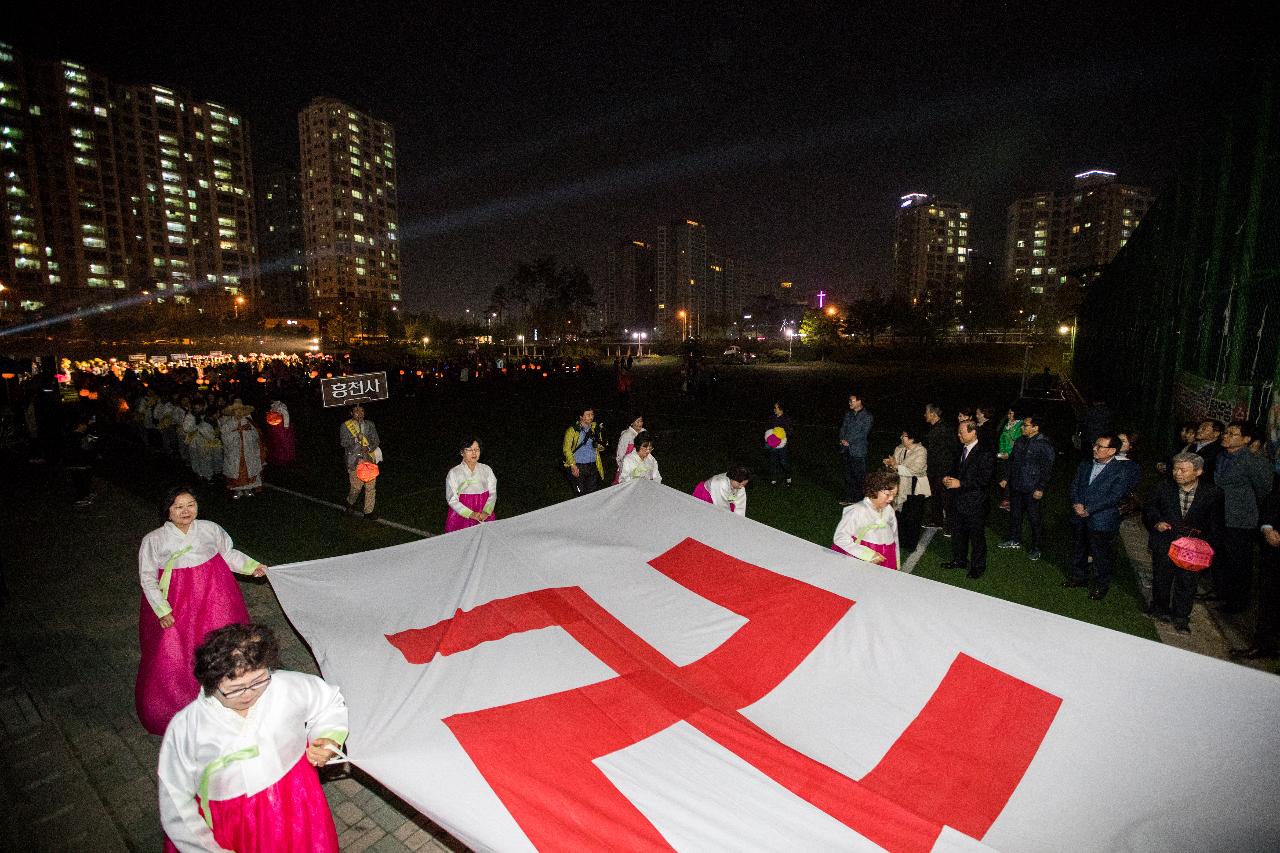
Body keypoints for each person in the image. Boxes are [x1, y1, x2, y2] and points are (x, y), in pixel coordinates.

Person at [158, 624, 348, 852]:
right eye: (236, 688)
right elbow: (175, 799)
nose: (249, 693)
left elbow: (328, 702)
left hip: (296, 803)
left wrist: (327, 737)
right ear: (210, 684)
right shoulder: (186, 728)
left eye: (258, 681)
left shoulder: (285, 687)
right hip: (234, 823)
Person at [136, 487, 266, 736]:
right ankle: (177, 704)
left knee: (225, 642)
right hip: (178, 600)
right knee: (175, 649)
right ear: (168, 512)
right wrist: (162, 610)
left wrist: (252, 566)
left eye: (190, 504)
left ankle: (233, 695)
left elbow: (227, 554)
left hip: (215, 595)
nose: (186, 511)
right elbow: (148, 577)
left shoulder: (209, 529)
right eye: (178, 507)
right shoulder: (154, 540)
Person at [1143, 452, 1223, 634]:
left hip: (1194, 546)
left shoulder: (1213, 493)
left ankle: (1181, 617)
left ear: (1198, 471)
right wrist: (1157, 522)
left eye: (1183, 470)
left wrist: (1207, 545)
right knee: (1161, 577)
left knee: (1187, 582)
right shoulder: (1162, 487)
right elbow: (1150, 508)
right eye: (1175, 469)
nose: (1177, 473)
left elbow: (1216, 523)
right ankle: (1159, 608)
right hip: (1166, 541)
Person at [1064, 433, 1139, 600]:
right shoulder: (1085, 464)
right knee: (1079, 549)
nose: (1094, 449)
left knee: (1100, 555)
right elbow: (1075, 485)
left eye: (1099, 446)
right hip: (1080, 515)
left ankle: (1100, 586)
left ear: (1112, 450)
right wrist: (1076, 503)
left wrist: (1089, 509)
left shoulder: (1121, 471)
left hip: (1101, 520)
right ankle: (1078, 578)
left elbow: (1114, 496)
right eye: (1095, 445)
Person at [1210, 421, 1274, 614]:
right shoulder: (1221, 456)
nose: (1226, 436)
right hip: (1219, 513)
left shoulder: (1254, 461)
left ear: (1246, 440)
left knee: (1238, 561)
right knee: (1220, 555)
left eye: (1232, 433)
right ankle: (1220, 591)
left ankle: (1237, 601)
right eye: (1226, 432)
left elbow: (1263, 490)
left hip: (1240, 518)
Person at [941, 419, 995, 579]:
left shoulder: (985, 453)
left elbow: (984, 480)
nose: (959, 435)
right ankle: (959, 560)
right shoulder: (960, 449)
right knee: (958, 533)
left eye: (961, 432)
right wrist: (947, 478)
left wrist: (960, 483)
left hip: (975, 503)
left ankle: (978, 566)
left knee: (976, 537)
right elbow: (954, 468)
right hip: (958, 501)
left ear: (973, 432)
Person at [1230, 490, 1280, 660]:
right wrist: (1267, 529)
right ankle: (1264, 646)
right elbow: (1270, 505)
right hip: (1275, 557)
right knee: (1269, 600)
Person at [998, 415, 1055, 561]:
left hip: (1032, 488)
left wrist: (1040, 487)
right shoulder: (1020, 441)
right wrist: (1006, 478)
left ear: (1035, 427)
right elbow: (1012, 462)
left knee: (1034, 519)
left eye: (1026, 425)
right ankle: (1014, 539)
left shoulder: (1044, 445)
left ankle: (1036, 547)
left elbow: (1047, 469)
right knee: (1015, 515)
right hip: (1017, 485)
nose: (1023, 427)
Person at [833, 469, 901, 568]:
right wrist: (867, 555)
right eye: (887, 494)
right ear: (875, 489)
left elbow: (894, 535)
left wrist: (896, 560)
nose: (891, 499)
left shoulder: (889, 510)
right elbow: (840, 537)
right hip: (862, 555)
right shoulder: (857, 511)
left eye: (894, 495)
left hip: (886, 555)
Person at [883, 427, 929, 553]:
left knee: (913, 517)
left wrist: (895, 466)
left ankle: (911, 544)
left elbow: (915, 470)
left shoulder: (921, 451)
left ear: (912, 438)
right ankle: (900, 540)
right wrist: (889, 464)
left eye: (904, 436)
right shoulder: (899, 449)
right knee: (900, 515)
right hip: (900, 487)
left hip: (915, 489)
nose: (901, 438)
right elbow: (894, 468)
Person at [445, 437, 497, 532]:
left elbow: (492, 492)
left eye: (477, 449)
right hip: (462, 514)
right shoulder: (454, 473)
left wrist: (486, 511)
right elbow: (452, 498)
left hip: (484, 512)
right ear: (462, 452)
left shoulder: (486, 469)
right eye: (469, 450)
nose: (474, 453)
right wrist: (470, 514)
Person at [341, 404, 381, 518]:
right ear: (351, 413)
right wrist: (355, 439)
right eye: (356, 411)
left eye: (362, 411)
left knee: (370, 487)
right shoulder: (345, 425)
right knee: (356, 488)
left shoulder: (370, 424)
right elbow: (343, 443)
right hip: (354, 461)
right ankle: (350, 502)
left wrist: (368, 448)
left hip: (369, 460)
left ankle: (369, 511)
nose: (360, 413)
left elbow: (376, 440)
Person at [219, 400, 264, 499]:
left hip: (248, 451)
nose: (238, 413)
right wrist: (237, 432)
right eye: (236, 410)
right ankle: (237, 489)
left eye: (240, 410)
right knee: (236, 470)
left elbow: (256, 435)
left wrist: (248, 432)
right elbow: (224, 437)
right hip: (234, 452)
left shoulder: (248, 422)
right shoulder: (227, 424)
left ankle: (248, 488)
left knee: (248, 469)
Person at [923, 404, 955, 530]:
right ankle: (938, 520)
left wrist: (943, 470)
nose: (925, 415)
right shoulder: (938, 428)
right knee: (937, 495)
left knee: (944, 497)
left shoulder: (941, 429)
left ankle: (948, 524)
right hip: (937, 469)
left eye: (927, 412)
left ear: (933, 414)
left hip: (941, 469)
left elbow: (944, 452)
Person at [838, 393, 873, 505]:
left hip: (858, 451)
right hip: (846, 449)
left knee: (859, 477)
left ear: (859, 401)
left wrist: (849, 441)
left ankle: (860, 500)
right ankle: (850, 498)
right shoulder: (848, 414)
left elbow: (863, 433)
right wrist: (842, 439)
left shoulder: (867, 416)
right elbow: (843, 428)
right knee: (848, 475)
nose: (849, 402)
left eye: (851, 400)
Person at [562, 406, 605, 495]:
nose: (591, 417)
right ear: (581, 416)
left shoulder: (595, 428)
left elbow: (600, 445)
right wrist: (573, 465)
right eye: (588, 414)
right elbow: (566, 449)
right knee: (580, 493)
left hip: (593, 465)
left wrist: (600, 446)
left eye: (592, 414)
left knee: (593, 493)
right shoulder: (572, 430)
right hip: (578, 466)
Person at [996, 407, 1023, 510]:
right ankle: (1006, 500)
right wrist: (1003, 452)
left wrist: (1010, 454)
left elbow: (1018, 442)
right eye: (1008, 413)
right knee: (1005, 476)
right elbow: (1002, 438)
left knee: (1011, 477)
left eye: (1011, 413)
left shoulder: (1020, 425)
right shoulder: (1007, 425)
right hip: (1005, 456)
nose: (1009, 415)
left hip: (1015, 456)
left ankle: (1013, 500)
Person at [766, 401, 793, 486]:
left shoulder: (786, 419)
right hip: (773, 444)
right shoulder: (772, 418)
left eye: (776, 408)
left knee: (783, 462)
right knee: (773, 461)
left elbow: (790, 432)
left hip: (782, 445)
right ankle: (774, 479)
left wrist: (781, 434)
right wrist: (769, 436)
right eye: (774, 408)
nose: (774, 409)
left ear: (781, 409)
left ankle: (788, 477)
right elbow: (768, 429)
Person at [264, 399, 296, 466]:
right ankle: (277, 456)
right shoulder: (273, 406)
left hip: (281, 426)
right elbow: (272, 415)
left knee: (283, 440)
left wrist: (286, 425)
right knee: (275, 440)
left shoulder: (281, 405)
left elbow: (286, 414)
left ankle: (285, 457)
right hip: (275, 426)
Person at [613, 413, 644, 484]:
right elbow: (620, 455)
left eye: (641, 421)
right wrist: (622, 468)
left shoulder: (643, 433)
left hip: (641, 466)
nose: (640, 423)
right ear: (631, 423)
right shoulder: (626, 435)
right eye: (637, 421)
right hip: (629, 468)